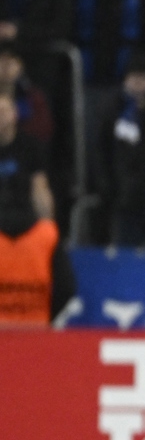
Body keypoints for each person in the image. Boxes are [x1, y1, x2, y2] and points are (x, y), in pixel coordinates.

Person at [0, 93, 73, 326]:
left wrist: (47, 229)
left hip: (27, 224)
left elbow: (40, 189)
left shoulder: (29, 146)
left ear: (15, 114)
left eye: (4, 111)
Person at [94, 54, 145, 246]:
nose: (139, 82)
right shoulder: (111, 108)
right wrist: (106, 186)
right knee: (127, 250)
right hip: (122, 196)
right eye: (134, 77)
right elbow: (101, 150)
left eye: (144, 77)